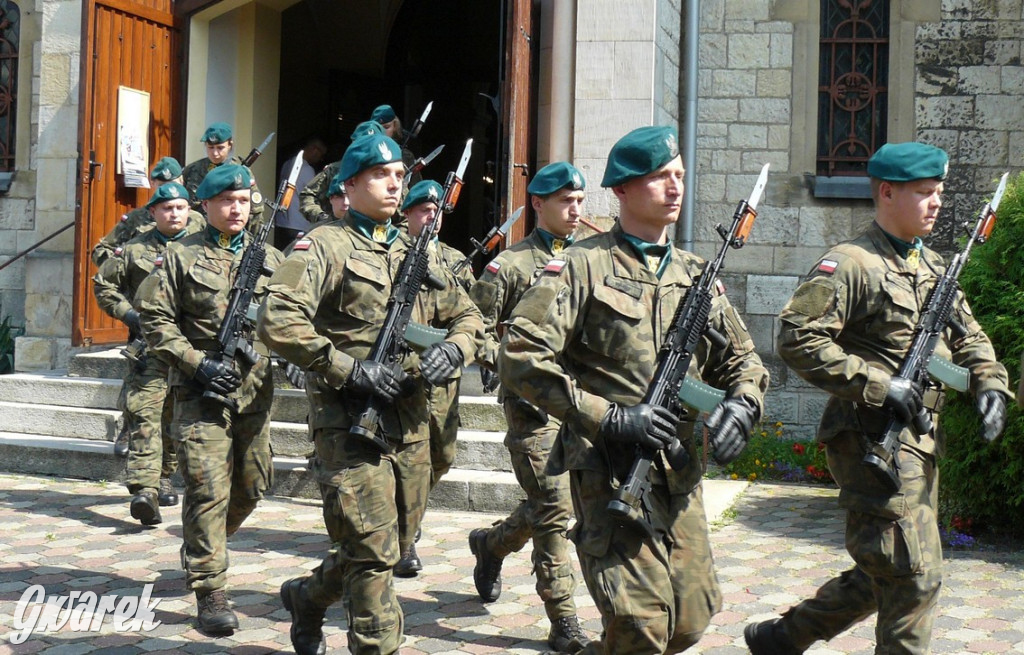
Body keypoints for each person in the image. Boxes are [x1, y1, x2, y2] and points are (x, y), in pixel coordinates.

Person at [498, 126, 769, 654]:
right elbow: (520, 357)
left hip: (677, 469)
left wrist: (743, 404)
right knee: (640, 624)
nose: (675, 188)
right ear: (622, 189)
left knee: (690, 618)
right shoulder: (581, 265)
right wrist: (609, 417)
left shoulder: (697, 275)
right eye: (659, 178)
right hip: (609, 469)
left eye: (680, 177)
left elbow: (745, 360)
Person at [745, 142, 1012, 654]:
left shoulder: (935, 267)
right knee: (915, 576)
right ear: (887, 192)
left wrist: (990, 383)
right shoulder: (850, 264)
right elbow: (797, 336)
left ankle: (783, 637)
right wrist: (878, 384)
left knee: (887, 566)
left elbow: (970, 336)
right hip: (869, 439)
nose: (937, 203)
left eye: (938, 192)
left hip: (919, 442)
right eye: (925, 193)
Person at [256, 133, 483, 655]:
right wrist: (347, 369)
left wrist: (458, 348)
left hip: (411, 422)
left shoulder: (414, 249)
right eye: (381, 175)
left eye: (400, 176)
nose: (394, 183)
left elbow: (468, 315)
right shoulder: (325, 244)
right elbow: (277, 318)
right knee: (375, 551)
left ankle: (309, 597)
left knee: (389, 544)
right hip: (348, 424)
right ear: (350, 184)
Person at [135, 164, 282, 635]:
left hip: (254, 393)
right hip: (200, 394)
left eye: (243, 200)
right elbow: (155, 322)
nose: (235, 208)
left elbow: (292, 320)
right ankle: (209, 587)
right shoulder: (179, 257)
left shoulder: (274, 260)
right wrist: (197, 363)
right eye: (225, 200)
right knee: (206, 490)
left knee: (252, 486)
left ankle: (205, 542)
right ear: (206, 206)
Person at [466, 161, 591, 653]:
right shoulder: (511, 265)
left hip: (582, 408)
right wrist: (497, 361)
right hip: (532, 411)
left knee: (551, 506)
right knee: (556, 510)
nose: (575, 209)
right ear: (538, 204)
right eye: (565, 200)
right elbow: (473, 324)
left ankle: (491, 544)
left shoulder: (589, 261)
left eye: (580, 200)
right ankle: (564, 620)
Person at [92, 182, 203, 525]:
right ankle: (145, 490)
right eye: (167, 208)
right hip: (151, 348)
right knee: (144, 415)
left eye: (180, 207)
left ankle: (164, 476)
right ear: (153, 212)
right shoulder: (135, 249)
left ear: (190, 210)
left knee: (173, 416)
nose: (174, 214)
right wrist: (128, 315)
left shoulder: (203, 243)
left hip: (190, 347)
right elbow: (103, 283)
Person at [393, 179, 477, 578]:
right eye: (424, 210)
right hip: (402, 376)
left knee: (441, 456)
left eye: (437, 211)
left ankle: (411, 511)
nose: (432, 217)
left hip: (444, 378)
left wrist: (466, 349)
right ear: (406, 213)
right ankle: (403, 540)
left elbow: (472, 315)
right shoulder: (390, 254)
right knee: (411, 458)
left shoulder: (455, 259)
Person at [298, 121, 384, 226]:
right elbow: (307, 195)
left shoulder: (390, 175)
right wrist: (321, 217)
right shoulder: (335, 170)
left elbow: (403, 215)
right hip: (337, 232)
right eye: (361, 145)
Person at [181, 121, 265, 229]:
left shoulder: (241, 172)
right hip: (195, 234)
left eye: (220, 148)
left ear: (230, 145)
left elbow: (255, 211)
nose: (215, 153)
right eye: (210, 148)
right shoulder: (193, 169)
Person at [275, 137, 327, 249]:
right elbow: (315, 196)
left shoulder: (287, 164)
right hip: (298, 223)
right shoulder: (307, 169)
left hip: (281, 221)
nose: (320, 159)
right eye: (321, 155)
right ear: (314, 150)